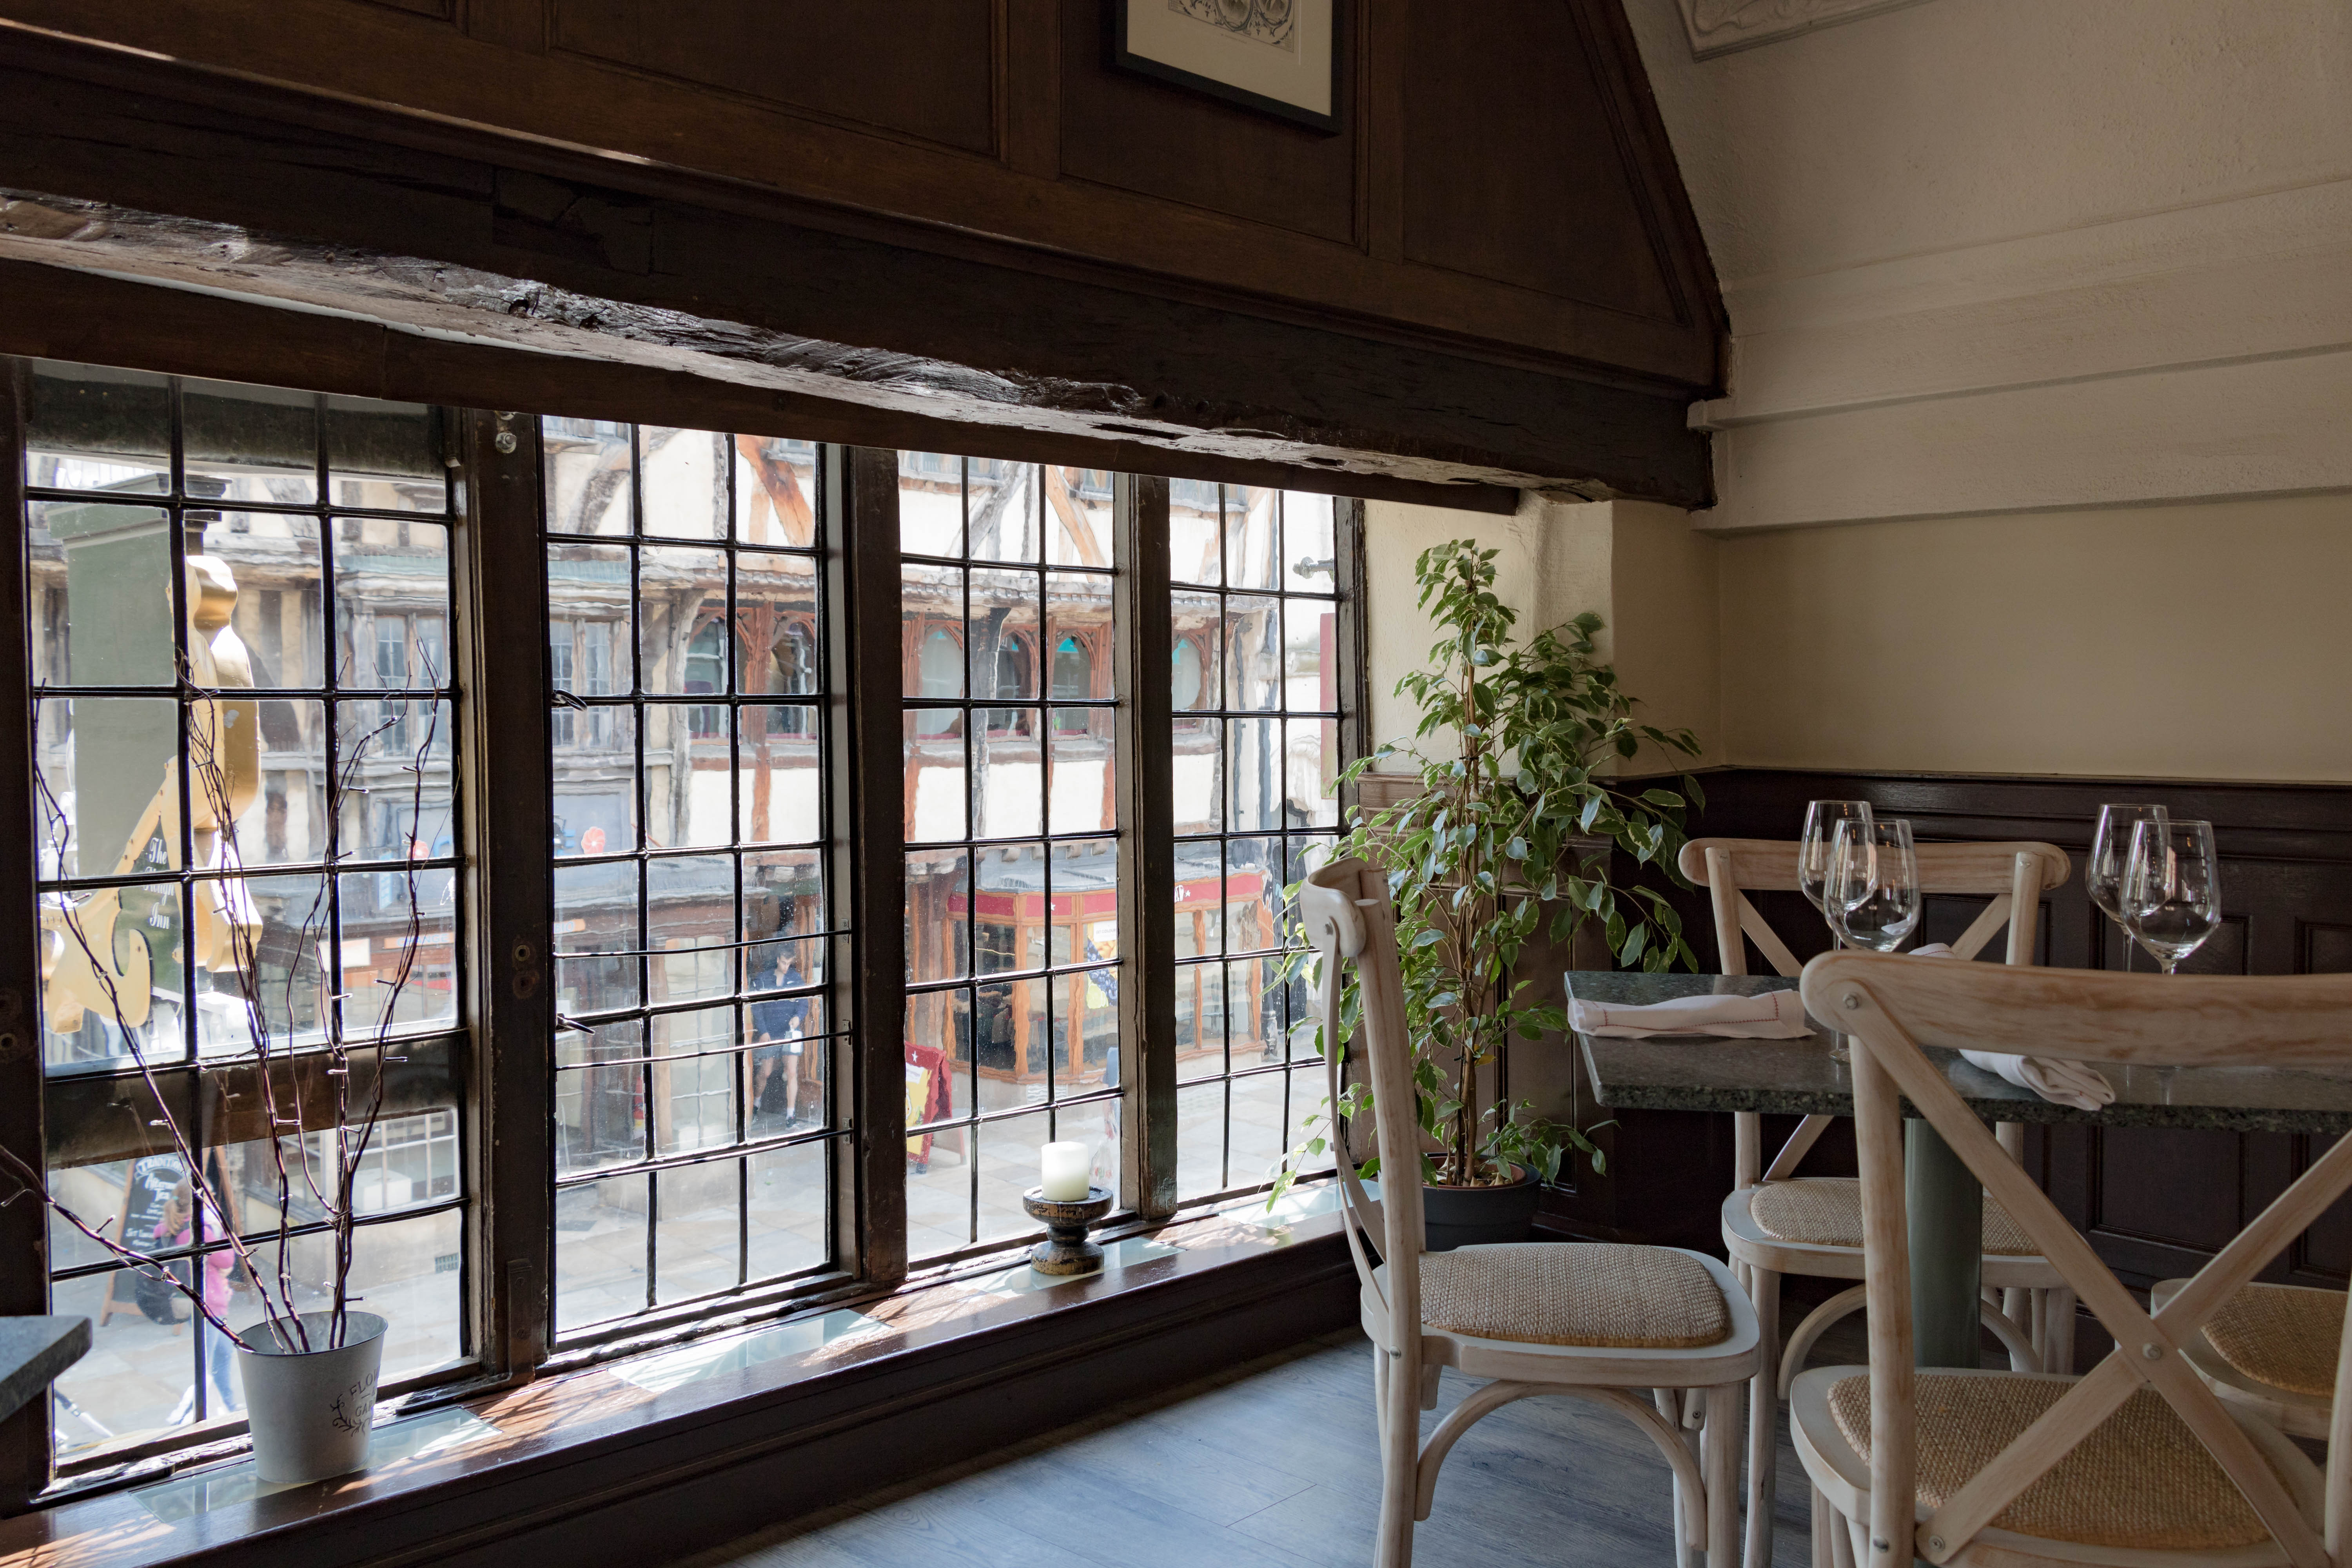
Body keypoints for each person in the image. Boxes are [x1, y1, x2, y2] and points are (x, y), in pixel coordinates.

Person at [750, 953, 814, 1130]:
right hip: (770, 1033)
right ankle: (755, 1106)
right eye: (784, 963)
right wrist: (763, 1031)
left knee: (792, 1072)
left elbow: (803, 1003)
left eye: (789, 963)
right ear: (778, 960)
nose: (786, 967)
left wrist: (798, 1017)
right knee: (765, 1072)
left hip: (789, 1032)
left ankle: (790, 1117)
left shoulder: (796, 978)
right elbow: (756, 1007)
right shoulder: (763, 979)